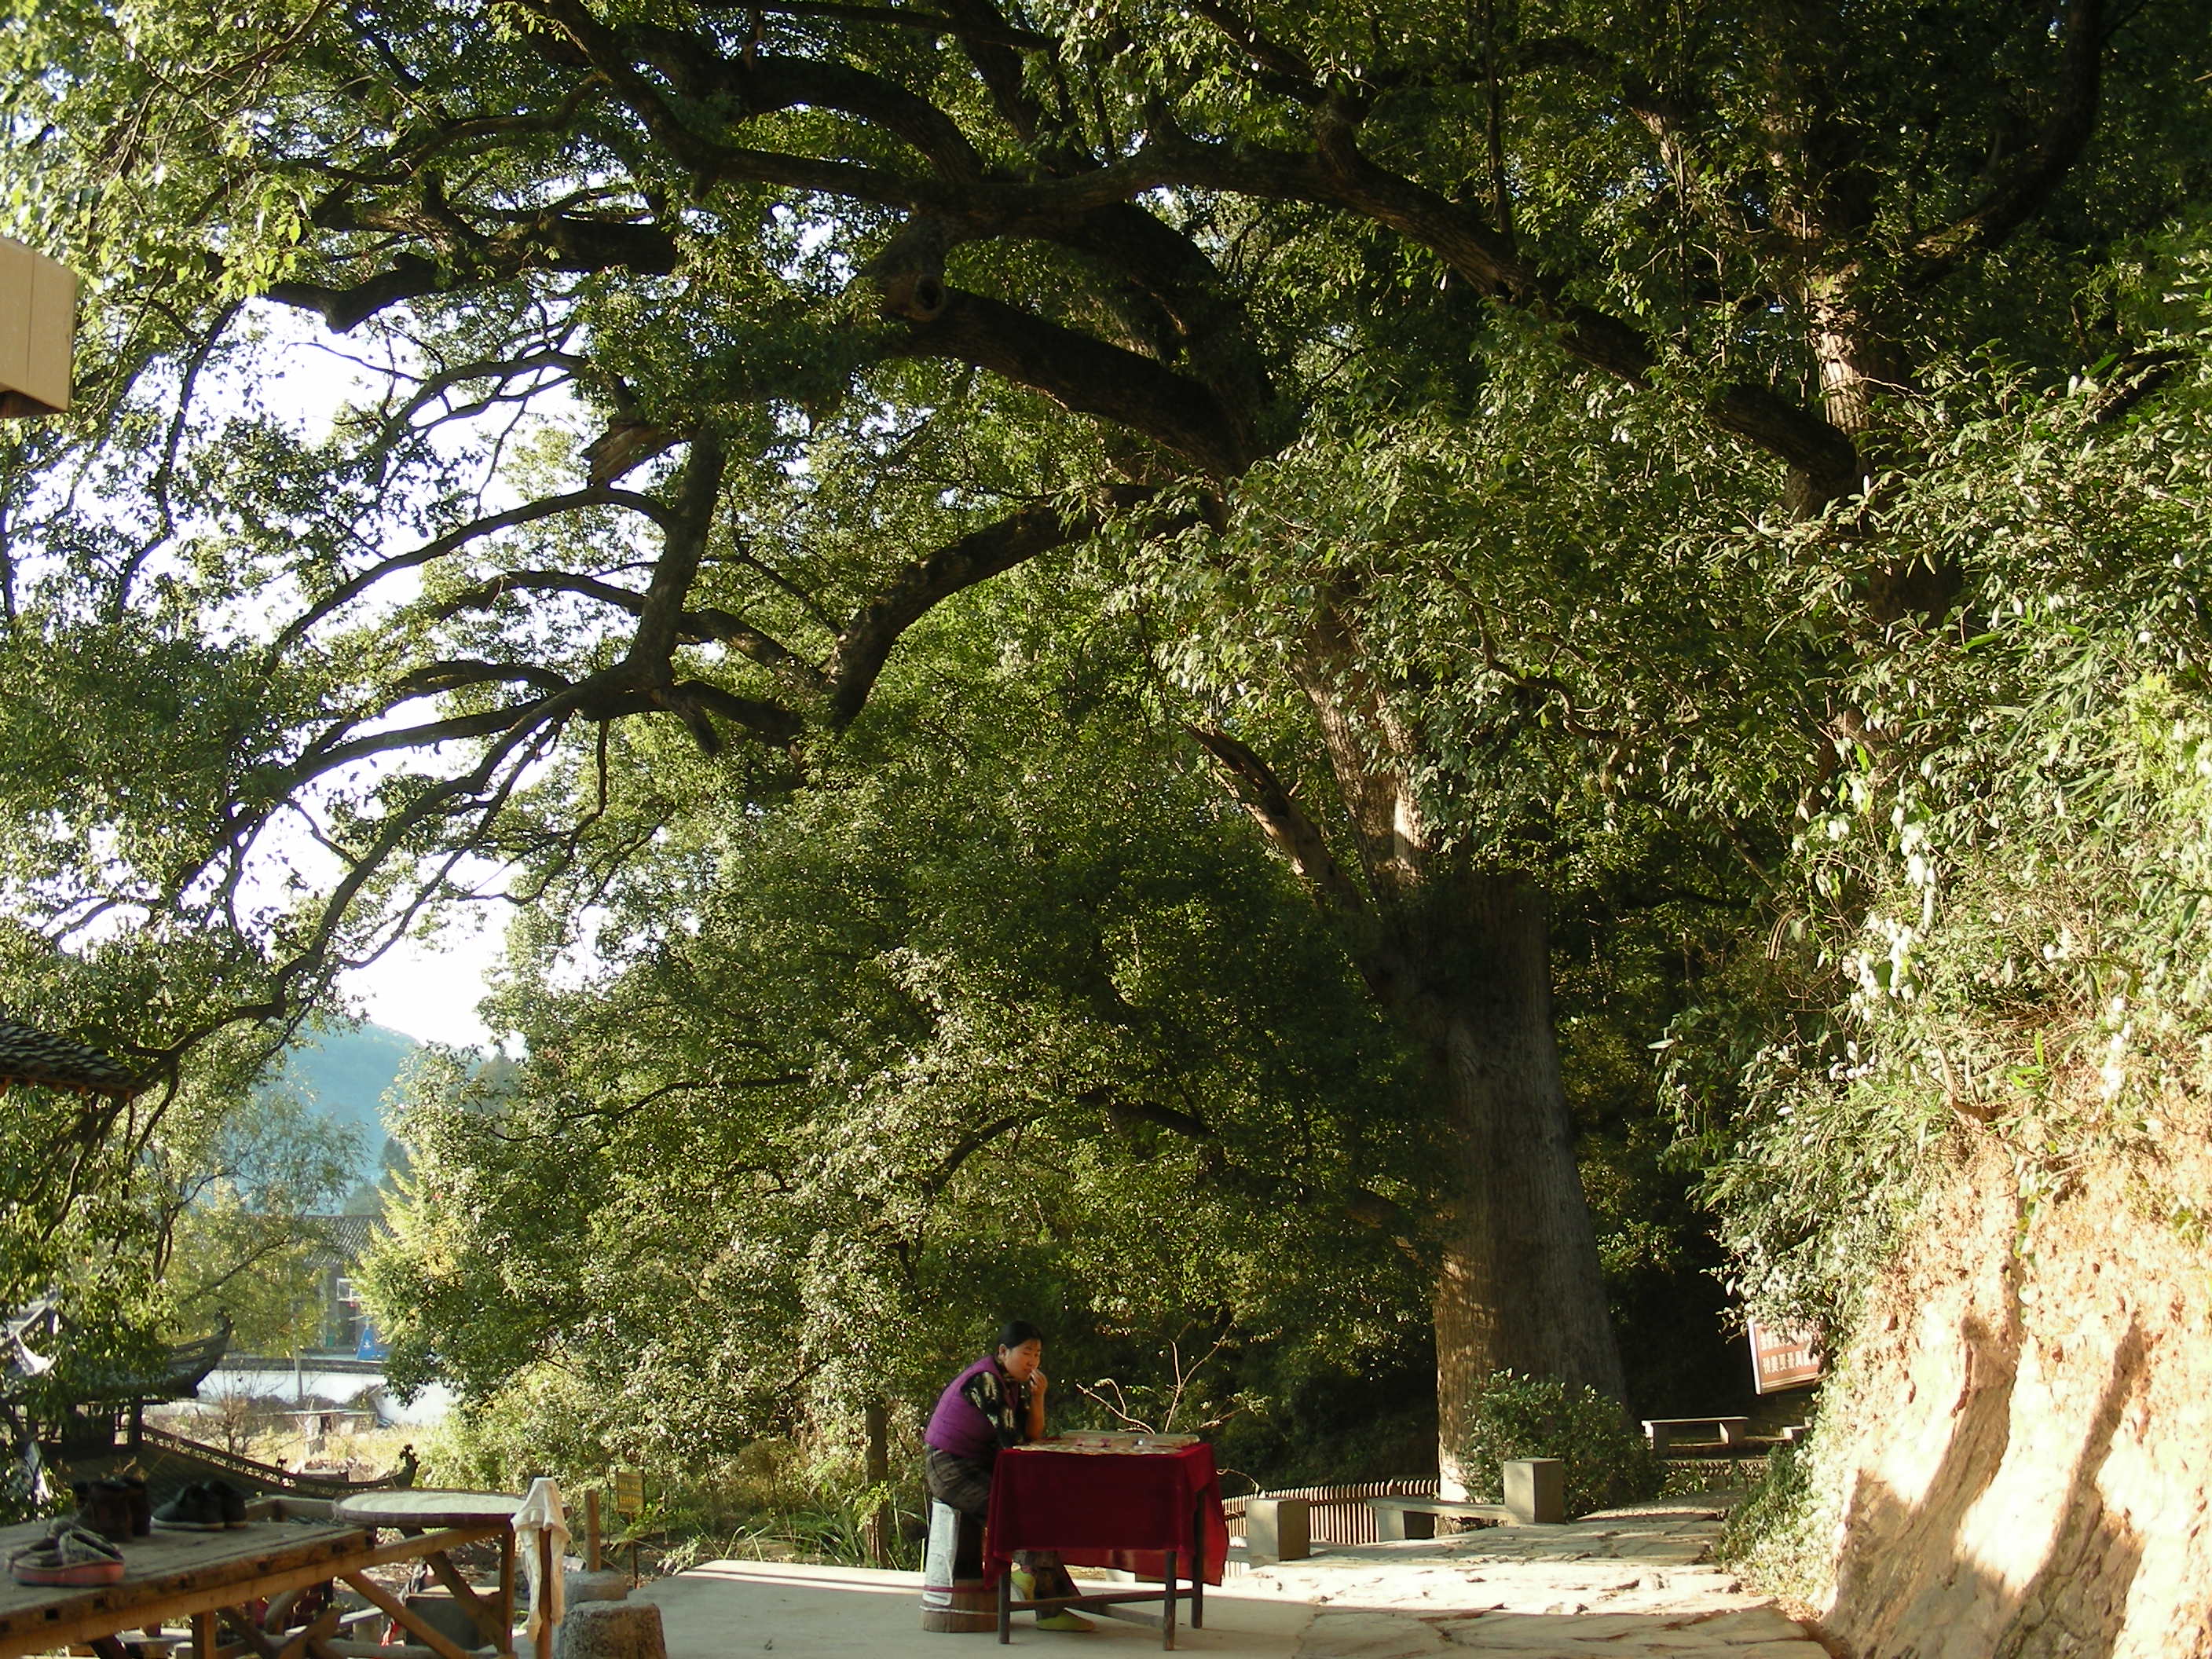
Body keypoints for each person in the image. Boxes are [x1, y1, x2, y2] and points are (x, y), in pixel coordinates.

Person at [924, 1320, 1092, 1632]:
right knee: (1018, 1513)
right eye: (1026, 1353)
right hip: (950, 1468)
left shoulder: (1013, 1384)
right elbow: (1011, 1442)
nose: (1033, 1362)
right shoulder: (986, 1381)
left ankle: (1041, 1592)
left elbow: (1031, 1435)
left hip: (980, 1466)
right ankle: (1043, 1596)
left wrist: (1039, 1397)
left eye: (1037, 1355)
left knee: (1037, 1507)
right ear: (1003, 1352)